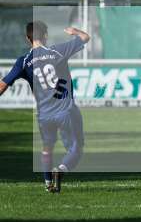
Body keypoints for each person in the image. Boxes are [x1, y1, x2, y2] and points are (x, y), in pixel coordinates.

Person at [0, 21, 90, 193]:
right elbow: (85, 37)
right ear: (46, 36)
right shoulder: (57, 51)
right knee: (76, 148)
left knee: (47, 148)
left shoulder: (23, 62)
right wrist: (75, 31)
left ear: (28, 39)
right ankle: (61, 170)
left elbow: (2, 85)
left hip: (44, 116)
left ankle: (48, 182)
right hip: (65, 111)